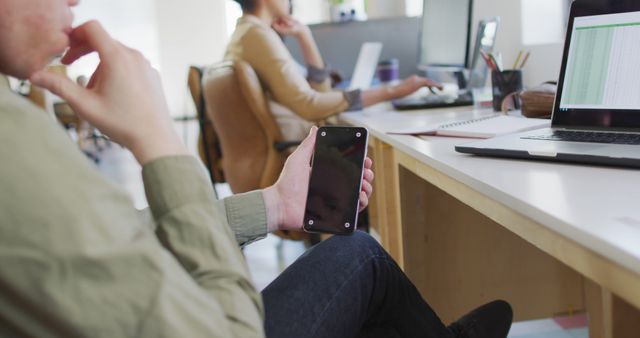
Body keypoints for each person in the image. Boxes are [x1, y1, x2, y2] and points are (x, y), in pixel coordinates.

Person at [0, 0, 513, 337]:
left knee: (357, 253)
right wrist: (157, 140)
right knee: (363, 257)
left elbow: (118, 235)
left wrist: (275, 204)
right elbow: (314, 101)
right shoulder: (13, 137)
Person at [225, 0, 443, 141]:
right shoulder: (258, 36)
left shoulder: (246, 34)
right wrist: (394, 91)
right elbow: (310, 106)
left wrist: (305, 36)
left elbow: (320, 93)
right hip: (302, 148)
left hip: (300, 139)